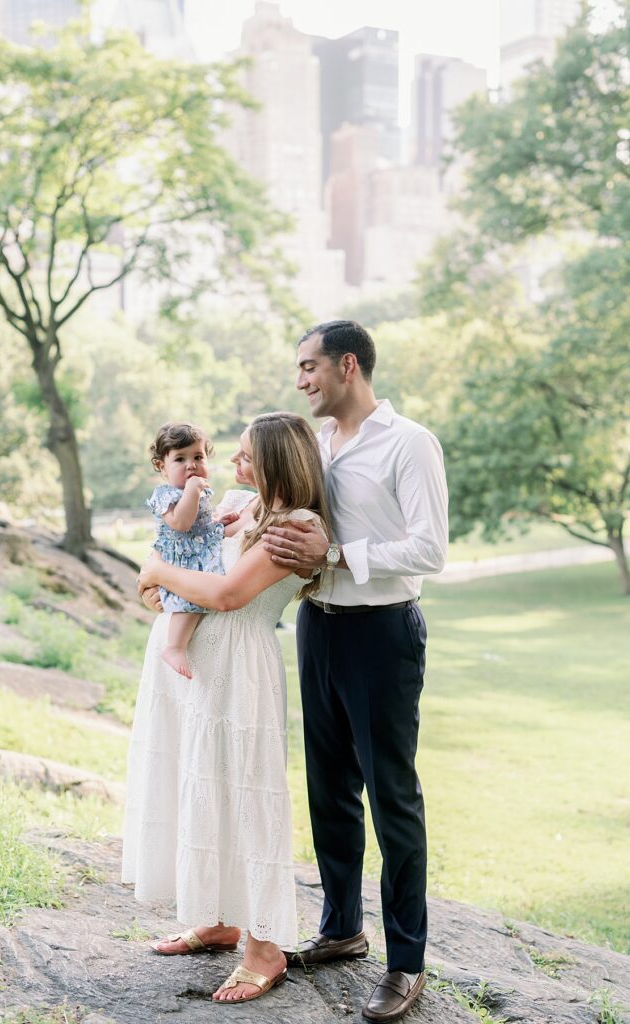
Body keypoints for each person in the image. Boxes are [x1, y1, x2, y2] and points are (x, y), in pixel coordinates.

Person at [262, 320, 449, 1023]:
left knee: (390, 797)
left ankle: (405, 963)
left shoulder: (409, 443)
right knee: (327, 788)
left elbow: (428, 548)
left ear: (347, 365)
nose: (301, 380)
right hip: (319, 628)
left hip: (382, 634)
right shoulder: (315, 445)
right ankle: (341, 928)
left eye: (308, 367)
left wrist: (336, 554)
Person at [123, 412, 330, 1005]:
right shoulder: (241, 503)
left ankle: (265, 948)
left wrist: (160, 571)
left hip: (238, 669)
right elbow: (179, 563)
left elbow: (226, 593)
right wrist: (166, 583)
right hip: (194, 668)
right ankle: (218, 914)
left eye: (243, 456)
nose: (228, 467)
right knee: (202, 784)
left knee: (243, 791)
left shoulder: (298, 525)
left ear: (275, 461)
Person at [146, 422, 237, 679]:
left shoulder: (193, 492)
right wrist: (192, 491)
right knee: (189, 601)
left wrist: (218, 523)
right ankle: (174, 647)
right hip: (181, 557)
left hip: (195, 548)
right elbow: (181, 523)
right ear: (162, 467)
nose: (191, 465)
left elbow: (199, 526)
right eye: (180, 459)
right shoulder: (166, 494)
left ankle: (179, 645)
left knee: (197, 598)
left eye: (198, 457)